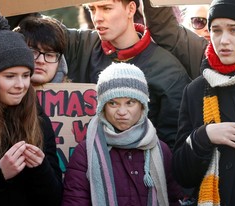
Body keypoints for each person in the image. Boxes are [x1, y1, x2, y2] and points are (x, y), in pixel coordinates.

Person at [172, 0, 235, 206]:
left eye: (234, 30)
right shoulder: (195, 91)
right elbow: (181, 175)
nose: (223, 40)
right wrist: (203, 137)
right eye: (216, 30)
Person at [63, 0, 190, 148]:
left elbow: (173, 145)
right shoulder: (82, 45)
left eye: (106, 8)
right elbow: (35, 28)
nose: (97, 17)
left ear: (130, 9)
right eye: (92, 9)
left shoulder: (168, 71)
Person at [60, 62, 183, 206]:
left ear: (142, 105)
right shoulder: (85, 151)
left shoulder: (161, 150)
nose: (122, 112)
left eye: (130, 103)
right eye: (113, 103)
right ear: (102, 107)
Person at [0, 15, 62, 206]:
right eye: (10, 76)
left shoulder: (39, 121)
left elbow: (55, 202)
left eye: (25, 75)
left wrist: (41, 169)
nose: (20, 85)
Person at [142, 0, 208, 80]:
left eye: (214, 24)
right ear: (187, 24)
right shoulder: (196, 50)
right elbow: (163, 26)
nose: (207, 29)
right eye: (199, 21)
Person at [14, 15, 68, 85]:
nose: (41, 61)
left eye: (49, 55)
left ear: (60, 63)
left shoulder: (77, 95)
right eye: (33, 52)